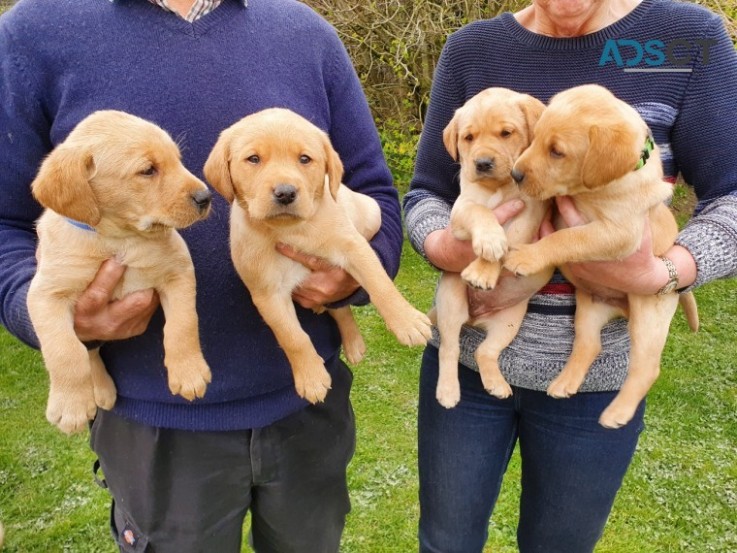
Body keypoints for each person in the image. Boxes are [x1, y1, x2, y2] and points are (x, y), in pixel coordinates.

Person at [0, 0, 402, 551]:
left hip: (305, 402)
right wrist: (50, 314)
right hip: (158, 422)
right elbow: (6, 221)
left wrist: (354, 275)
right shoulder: (34, 31)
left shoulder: (306, 32)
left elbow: (372, 191)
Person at [403, 0, 737, 551]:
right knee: (445, 543)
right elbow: (426, 194)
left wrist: (668, 271)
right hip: (466, 360)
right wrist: (444, 245)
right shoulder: (473, 48)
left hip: (594, 373)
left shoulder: (685, 39)